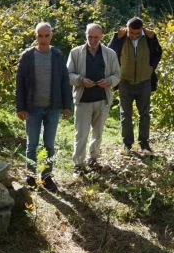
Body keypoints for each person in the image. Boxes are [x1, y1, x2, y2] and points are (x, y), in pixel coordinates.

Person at [15, 23, 72, 192]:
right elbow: (20, 83)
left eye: (46, 35)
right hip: (32, 107)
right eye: (40, 35)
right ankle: (31, 176)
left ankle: (47, 177)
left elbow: (64, 80)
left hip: (53, 107)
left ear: (51, 36)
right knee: (32, 144)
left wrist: (66, 105)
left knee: (49, 144)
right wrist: (20, 107)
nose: (43, 39)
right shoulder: (27, 55)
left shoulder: (57, 55)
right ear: (35, 36)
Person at [67, 23, 120, 176]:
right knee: (81, 134)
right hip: (83, 100)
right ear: (86, 35)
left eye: (96, 37)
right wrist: (81, 80)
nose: (93, 40)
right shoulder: (75, 52)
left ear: (102, 36)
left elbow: (117, 74)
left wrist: (109, 81)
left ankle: (93, 159)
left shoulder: (110, 53)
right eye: (90, 36)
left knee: (98, 133)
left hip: (103, 99)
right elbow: (68, 74)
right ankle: (78, 164)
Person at [108, 17, 163, 155]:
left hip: (144, 82)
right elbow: (109, 53)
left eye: (137, 34)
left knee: (144, 114)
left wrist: (151, 68)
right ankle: (127, 145)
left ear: (141, 30)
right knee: (125, 114)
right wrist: (116, 38)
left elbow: (158, 53)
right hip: (124, 81)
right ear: (127, 29)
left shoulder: (149, 37)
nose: (133, 36)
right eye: (131, 33)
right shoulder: (120, 37)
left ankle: (144, 144)